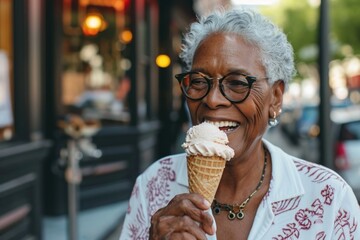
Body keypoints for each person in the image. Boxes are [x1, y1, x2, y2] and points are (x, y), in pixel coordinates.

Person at [119, 7, 360, 240]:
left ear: (275, 97)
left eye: (237, 83)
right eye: (199, 82)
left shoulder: (329, 199)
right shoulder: (153, 185)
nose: (212, 100)